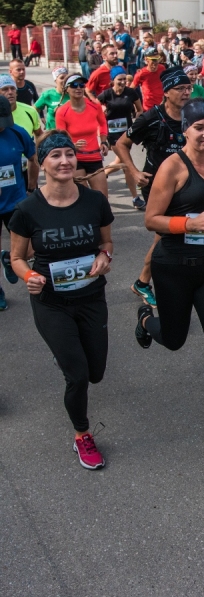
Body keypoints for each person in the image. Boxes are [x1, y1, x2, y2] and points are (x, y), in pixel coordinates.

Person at [134, 98, 204, 442]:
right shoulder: (172, 167)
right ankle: (145, 319)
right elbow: (151, 219)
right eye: (199, 127)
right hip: (174, 268)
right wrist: (188, 224)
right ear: (185, 129)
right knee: (174, 340)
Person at [9, 131, 114, 470]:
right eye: (56, 156)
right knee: (78, 376)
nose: (65, 161)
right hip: (51, 302)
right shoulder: (27, 209)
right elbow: (17, 258)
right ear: (42, 163)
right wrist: (29, 276)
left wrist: (104, 257)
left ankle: (68, 357)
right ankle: (82, 434)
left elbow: (107, 243)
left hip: (91, 297)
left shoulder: (94, 201)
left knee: (95, 372)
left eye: (69, 154)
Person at [114, 67, 194, 307]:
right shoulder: (151, 118)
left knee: (181, 233)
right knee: (165, 234)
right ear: (167, 92)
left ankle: (170, 277)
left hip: (186, 184)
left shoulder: (193, 114)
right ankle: (143, 281)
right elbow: (121, 144)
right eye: (180, 88)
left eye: (188, 88)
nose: (186, 93)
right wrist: (134, 172)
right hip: (157, 187)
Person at [0, 96, 38, 311]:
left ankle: (7, 257)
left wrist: (31, 187)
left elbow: (33, 159)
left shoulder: (17, 132)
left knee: (29, 250)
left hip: (15, 201)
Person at [55, 74, 109, 198]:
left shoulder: (94, 106)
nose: (78, 88)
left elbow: (102, 123)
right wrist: (72, 146)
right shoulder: (62, 111)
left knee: (102, 198)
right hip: (75, 159)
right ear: (66, 89)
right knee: (83, 198)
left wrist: (103, 141)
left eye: (81, 85)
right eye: (74, 85)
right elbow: (61, 138)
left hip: (94, 157)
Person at [97, 66, 144, 209]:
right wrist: (102, 109)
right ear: (113, 80)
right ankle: (135, 198)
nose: (123, 82)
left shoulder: (131, 93)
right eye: (120, 79)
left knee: (120, 160)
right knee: (127, 164)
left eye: (125, 79)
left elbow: (140, 109)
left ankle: (103, 173)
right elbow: (95, 108)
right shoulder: (106, 94)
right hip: (112, 134)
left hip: (127, 133)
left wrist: (137, 122)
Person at [0, 74, 42, 140]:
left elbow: (40, 135)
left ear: (16, 92)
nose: (10, 92)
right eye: (5, 89)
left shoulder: (30, 111)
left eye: (13, 88)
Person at [132, 47, 166, 112]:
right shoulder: (141, 74)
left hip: (162, 106)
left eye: (157, 59)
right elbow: (131, 90)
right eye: (153, 60)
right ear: (146, 60)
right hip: (148, 109)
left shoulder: (162, 68)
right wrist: (136, 106)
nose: (155, 62)